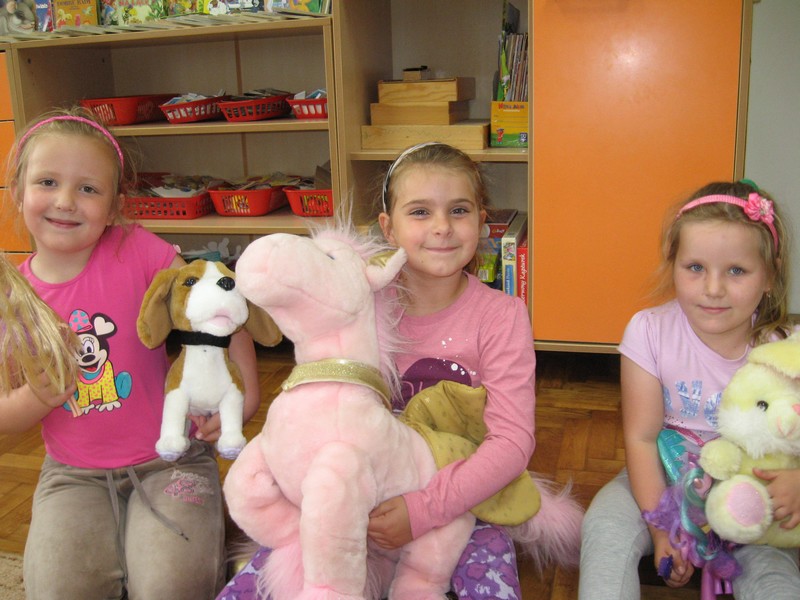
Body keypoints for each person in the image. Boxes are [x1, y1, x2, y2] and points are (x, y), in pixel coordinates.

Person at [217, 142, 536, 600]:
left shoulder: (502, 317)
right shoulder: (356, 303)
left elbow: (512, 442)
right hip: (348, 491)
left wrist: (424, 509)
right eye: (420, 212)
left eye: (459, 210)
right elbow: (320, 403)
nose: (442, 227)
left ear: (482, 221)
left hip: (458, 501)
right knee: (264, 581)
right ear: (388, 228)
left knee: (490, 578)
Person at [0, 107, 261, 600]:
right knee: (57, 590)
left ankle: (219, 544)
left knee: (172, 586)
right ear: (17, 190)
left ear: (115, 206)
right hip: (73, 474)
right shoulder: (14, 299)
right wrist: (36, 396)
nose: (65, 201)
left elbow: (221, 309)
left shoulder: (136, 251)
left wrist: (244, 396)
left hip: (173, 458)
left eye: (88, 188)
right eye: (48, 182)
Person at [579, 180, 800, 599]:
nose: (713, 288)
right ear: (672, 263)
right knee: (604, 526)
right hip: (662, 476)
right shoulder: (649, 331)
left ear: (769, 276)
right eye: (695, 267)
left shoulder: (786, 350)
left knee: (775, 578)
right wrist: (660, 528)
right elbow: (642, 439)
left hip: (755, 492)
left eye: (736, 271)